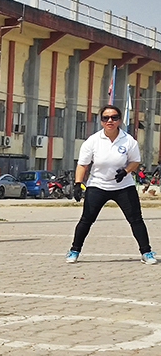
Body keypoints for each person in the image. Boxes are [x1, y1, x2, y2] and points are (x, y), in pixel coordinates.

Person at [65, 105, 156, 264]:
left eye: (114, 117)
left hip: (123, 186)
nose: (110, 121)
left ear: (119, 120)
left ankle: (146, 252)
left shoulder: (128, 140)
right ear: (101, 121)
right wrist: (78, 184)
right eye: (105, 118)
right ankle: (74, 250)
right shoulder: (93, 141)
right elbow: (82, 164)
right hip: (97, 185)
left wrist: (126, 171)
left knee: (136, 219)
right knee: (86, 219)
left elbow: (135, 161)